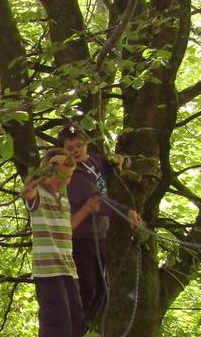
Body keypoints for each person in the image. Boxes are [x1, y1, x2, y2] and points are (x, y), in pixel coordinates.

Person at [22, 149, 100, 337]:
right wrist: (46, 169)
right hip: (48, 269)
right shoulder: (40, 195)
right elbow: (27, 191)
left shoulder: (63, 198)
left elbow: (69, 226)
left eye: (68, 173)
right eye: (59, 173)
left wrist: (86, 210)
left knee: (75, 316)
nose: (63, 177)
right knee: (59, 317)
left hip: (68, 266)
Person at [58, 124, 142, 321]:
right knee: (88, 289)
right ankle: (79, 332)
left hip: (99, 236)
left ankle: (88, 331)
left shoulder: (95, 160)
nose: (76, 151)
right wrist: (126, 212)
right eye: (69, 148)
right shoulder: (73, 175)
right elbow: (97, 202)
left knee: (101, 290)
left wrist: (123, 161)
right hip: (81, 239)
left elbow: (119, 161)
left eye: (79, 145)